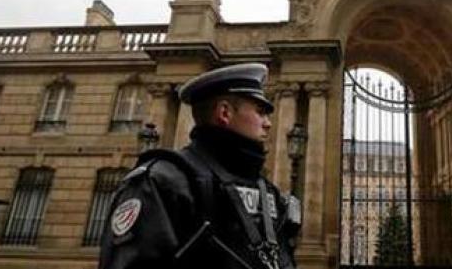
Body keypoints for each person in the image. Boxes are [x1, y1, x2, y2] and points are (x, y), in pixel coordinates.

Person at [99, 63, 301, 269]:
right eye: (260, 112)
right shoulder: (161, 181)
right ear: (225, 112)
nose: (268, 123)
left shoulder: (266, 189)